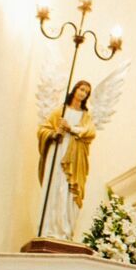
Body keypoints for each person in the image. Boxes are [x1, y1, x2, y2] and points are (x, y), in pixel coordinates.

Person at [35, 79, 95, 241]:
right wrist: (54, 134)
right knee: (55, 187)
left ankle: (64, 231)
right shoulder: (60, 112)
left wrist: (71, 128)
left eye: (86, 92)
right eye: (81, 89)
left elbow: (90, 132)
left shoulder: (85, 116)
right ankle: (48, 229)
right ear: (75, 90)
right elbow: (43, 129)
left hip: (74, 159)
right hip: (58, 152)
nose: (83, 93)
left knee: (68, 191)